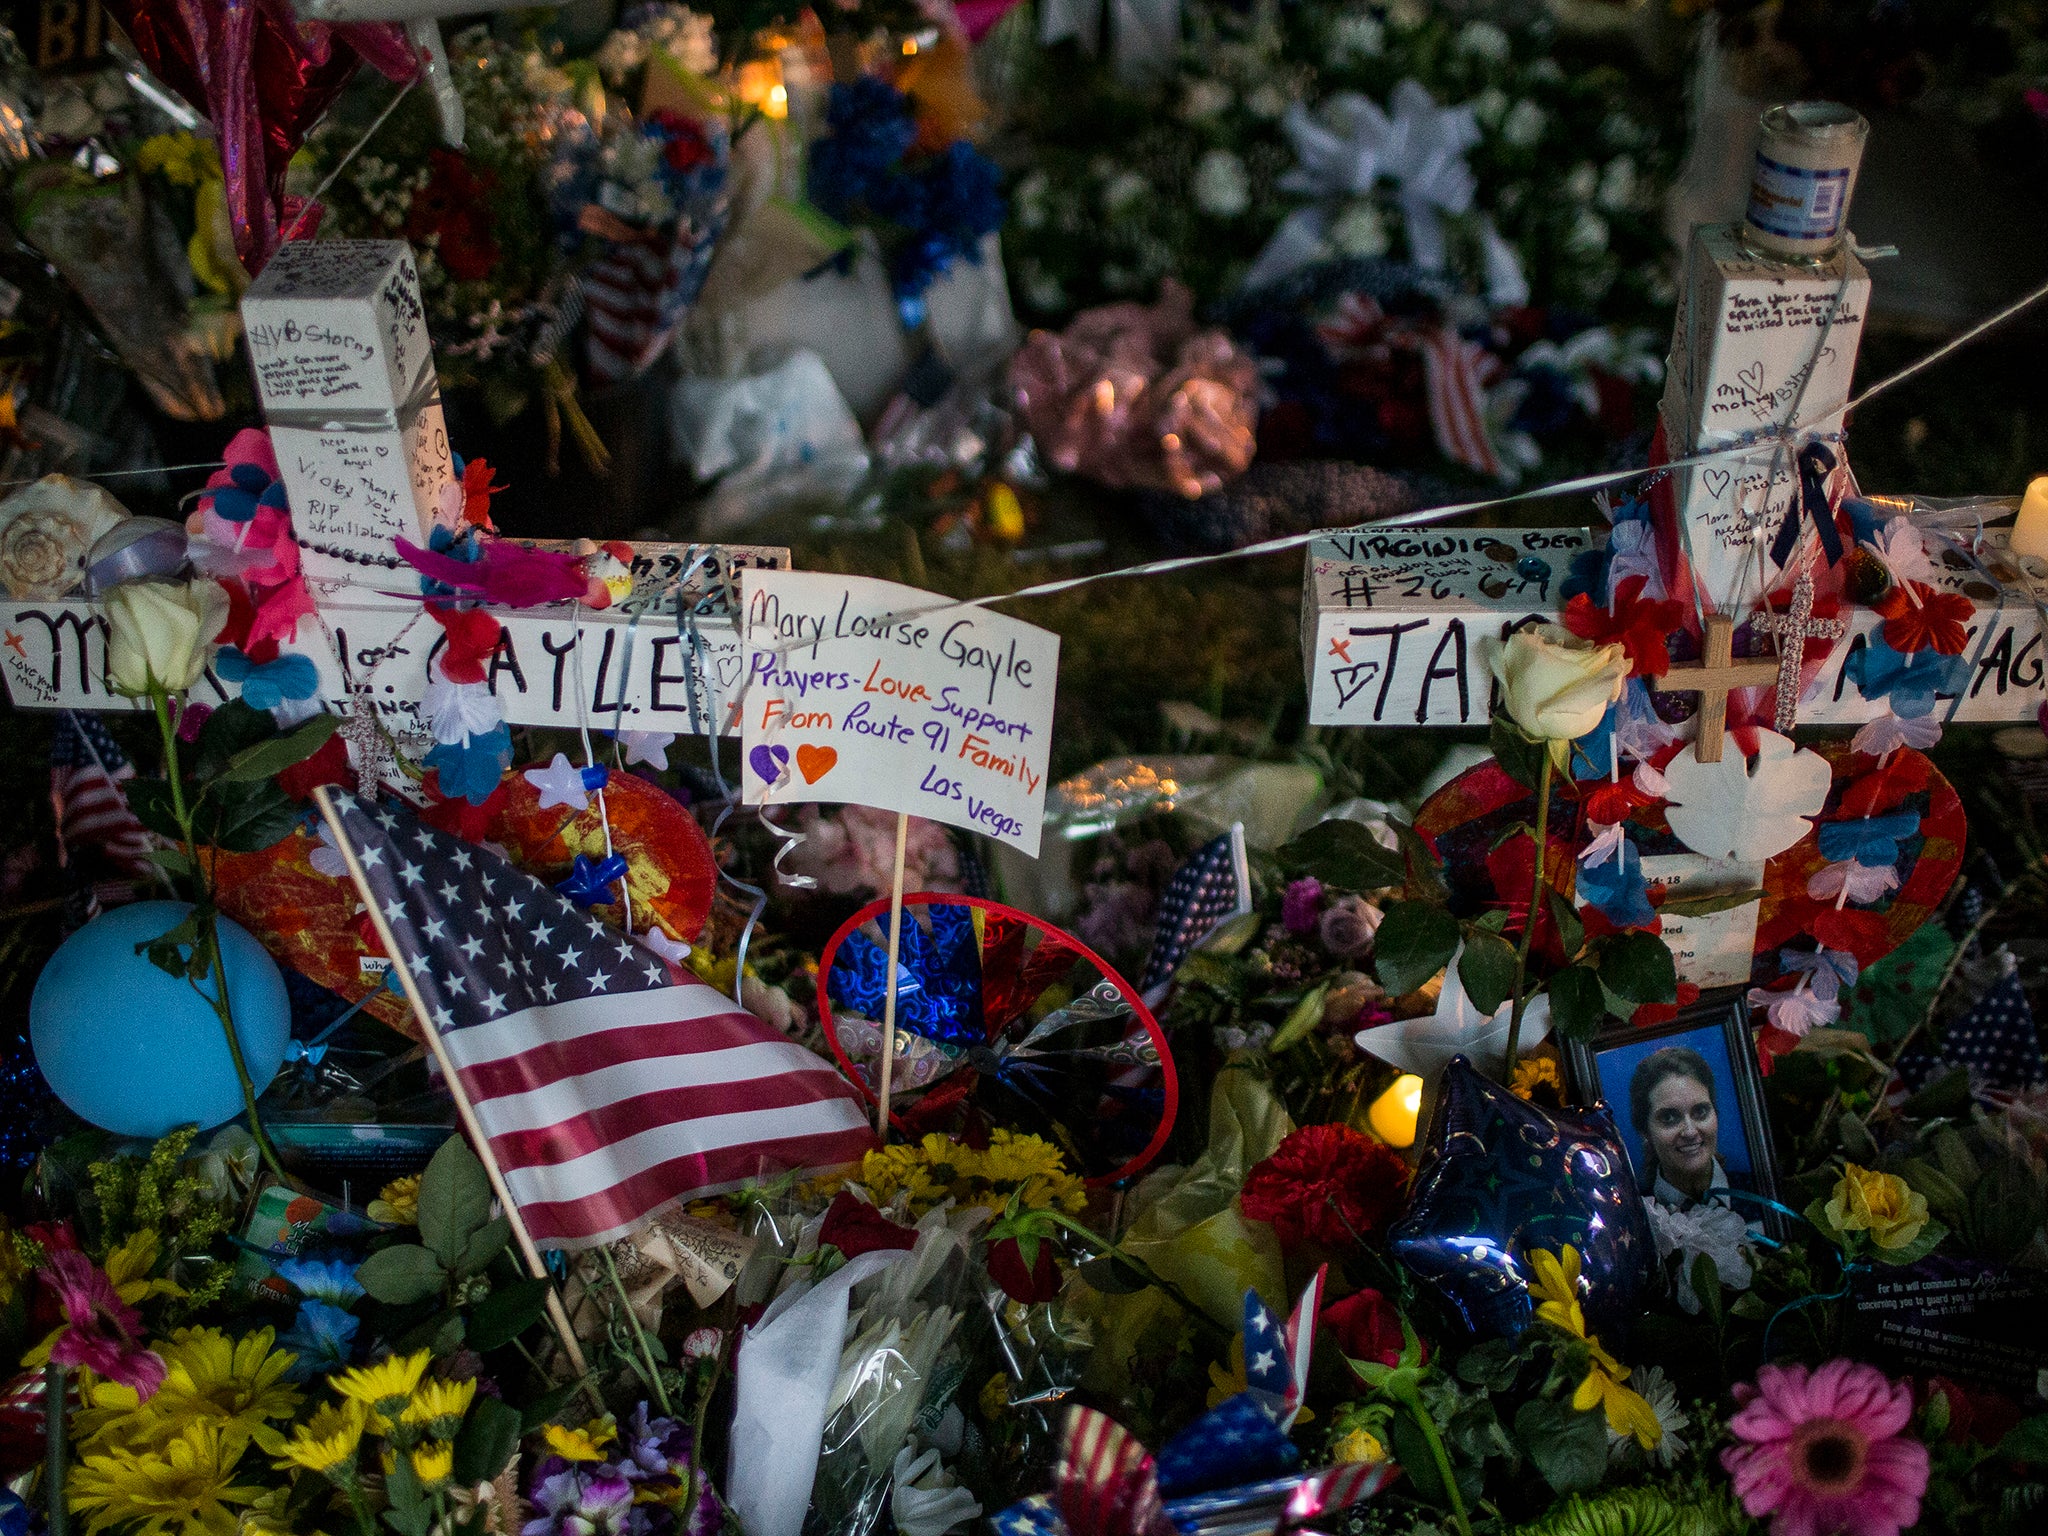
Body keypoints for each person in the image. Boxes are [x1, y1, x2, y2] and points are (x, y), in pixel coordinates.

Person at [1628, 1046, 1735, 1209]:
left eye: (1700, 1111)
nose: (1690, 1132)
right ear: (1645, 1130)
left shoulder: (1760, 1191)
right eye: (1669, 1118)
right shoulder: (1636, 1214)